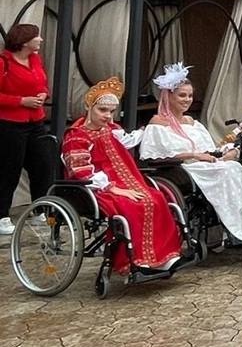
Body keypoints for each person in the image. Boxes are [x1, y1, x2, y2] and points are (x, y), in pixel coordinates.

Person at [62, 77, 184, 274]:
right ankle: (135, 258)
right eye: (102, 110)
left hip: (126, 181)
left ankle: (163, 256)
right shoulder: (77, 136)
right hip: (97, 187)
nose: (108, 116)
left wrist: (150, 129)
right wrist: (115, 188)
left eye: (111, 111)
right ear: (90, 108)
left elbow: (128, 141)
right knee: (133, 205)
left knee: (157, 198)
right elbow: (80, 170)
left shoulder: (112, 130)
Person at [139, 62, 242, 243]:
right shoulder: (158, 122)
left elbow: (208, 149)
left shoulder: (191, 121)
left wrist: (223, 154)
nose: (187, 99)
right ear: (169, 97)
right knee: (224, 171)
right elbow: (156, 155)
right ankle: (234, 225)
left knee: (233, 166)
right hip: (179, 169)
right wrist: (194, 155)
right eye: (182, 95)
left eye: (190, 96)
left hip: (202, 163)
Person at [0, 24, 53, 238]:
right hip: (10, 124)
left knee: (43, 165)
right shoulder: (4, 62)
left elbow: (42, 84)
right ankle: (2, 215)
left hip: (36, 122)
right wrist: (21, 101)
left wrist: (42, 95)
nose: (40, 40)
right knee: (8, 170)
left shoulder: (35, 60)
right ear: (24, 41)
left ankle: (40, 208)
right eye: (36, 36)